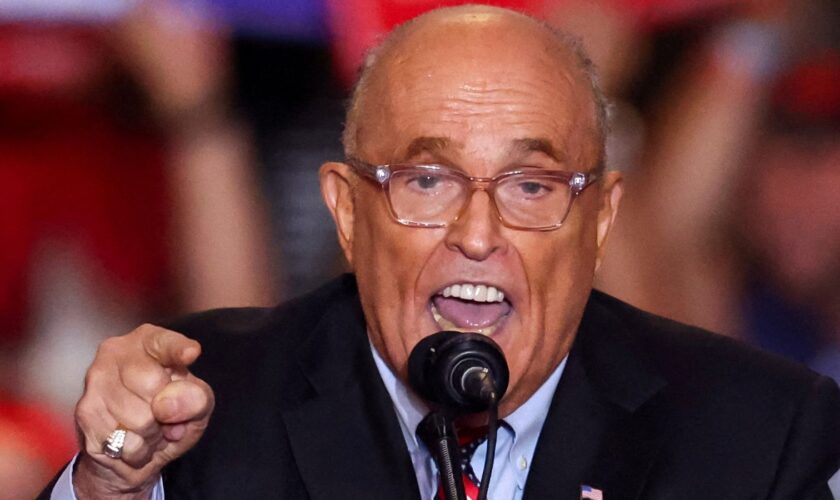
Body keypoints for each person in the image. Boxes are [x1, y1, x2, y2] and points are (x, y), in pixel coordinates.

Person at [43, 5, 840, 499]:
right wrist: (109, 488)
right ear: (347, 212)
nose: (478, 234)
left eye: (532, 186)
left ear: (599, 221)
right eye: (427, 180)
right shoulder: (206, 413)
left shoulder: (761, 436)